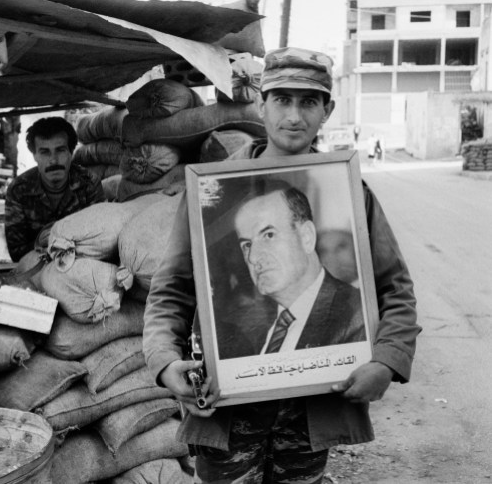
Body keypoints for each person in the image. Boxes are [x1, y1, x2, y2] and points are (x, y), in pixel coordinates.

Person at [143, 47, 421, 483]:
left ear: (327, 110)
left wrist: (387, 361)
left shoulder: (353, 192)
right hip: (227, 412)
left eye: (309, 101)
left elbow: (394, 289)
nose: (294, 115)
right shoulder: (209, 191)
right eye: (282, 99)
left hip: (313, 416)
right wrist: (164, 360)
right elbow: (172, 289)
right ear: (261, 103)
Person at [216, 178, 364, 359]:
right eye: (246, 245)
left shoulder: (357, 317)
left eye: (269, 235)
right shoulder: (241, 325)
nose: (253, 257)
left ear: (306, 237)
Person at [4, 116, 106, 262]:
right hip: (36, 268)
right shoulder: (19, 190)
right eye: (45, 152)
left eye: (60, 150)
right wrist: (45, 244)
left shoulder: (88, 184)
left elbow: (101, 240)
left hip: (81, 265)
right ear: (35, 156)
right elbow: (16, 252)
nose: (53, 160)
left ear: (71, 153)